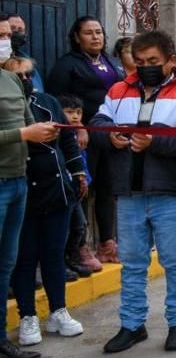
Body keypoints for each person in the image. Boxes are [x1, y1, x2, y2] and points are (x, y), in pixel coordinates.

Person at [91, 29, 176, 353]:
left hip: (170, 190)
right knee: (132, 262)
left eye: (153, 61)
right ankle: (132, 325)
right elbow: (97, 122)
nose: (145, 67)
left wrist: (154, 141)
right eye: (139, 62)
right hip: (128, 190)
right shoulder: (118, 89)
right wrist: (109, 136)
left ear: (171, 60)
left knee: (174, 261)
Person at [4, 58, 86, 347]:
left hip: (55, 189)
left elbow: (67, 141)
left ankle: (58, 310)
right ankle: (28, 315)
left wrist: (78, 172)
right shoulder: (9, 110)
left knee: (54, 253)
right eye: (18, 75)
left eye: (28, 74)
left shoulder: (47, 101)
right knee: (24, 258)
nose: (25, 80)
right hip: (22, 189)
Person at [0, 16, 60, 358]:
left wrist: (48, 131)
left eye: (8, 35)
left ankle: (2, 341)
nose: (7, 40)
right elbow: (22, 130)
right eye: (1, 35)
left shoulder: (10, 78)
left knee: (6, 265)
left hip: (18, 180)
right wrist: (25, 134)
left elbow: (26, 123)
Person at [47, 16, 124, 264]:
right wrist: (77, 127)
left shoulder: (110, 62)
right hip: (82, 137)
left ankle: (107, 244)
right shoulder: (67, 65)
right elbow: (57, 102)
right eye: (89, 33)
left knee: (107, 188)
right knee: (81, 189)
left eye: (99, 32)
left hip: (108, 134)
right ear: (77, 37)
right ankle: (79, 246)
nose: (95, 37)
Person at [59, 94, 101, 277]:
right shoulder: (58, 135)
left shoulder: (79, 135)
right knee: (64, 228)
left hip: (78, 189)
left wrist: (84, 181)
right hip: (62, 189)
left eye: (78, 112)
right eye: (69, 112)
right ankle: (61, 264)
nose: (75, 117)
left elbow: (81, 164)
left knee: (79, 226)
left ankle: (72, 259)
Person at [2, 13, 44, 93]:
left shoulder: (26, 61)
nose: (17, 33)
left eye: (21, 30)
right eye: (12, 28)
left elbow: (38, 90)